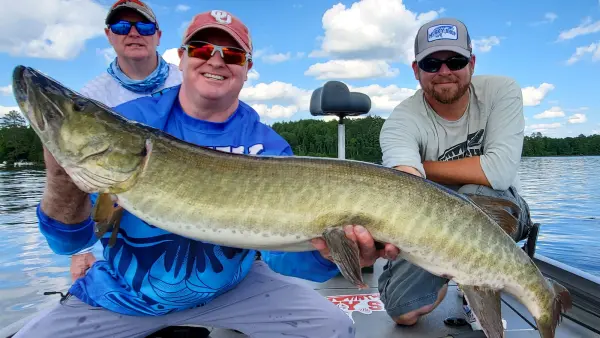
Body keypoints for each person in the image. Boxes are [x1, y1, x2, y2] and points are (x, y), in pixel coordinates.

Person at [14, 9, 399, 338]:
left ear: (247, 69)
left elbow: (285, 260)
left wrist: (337, 253)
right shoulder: (131, 125)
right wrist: (62, 177)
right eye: (202, 49)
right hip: (122, 296)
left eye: (232, 54)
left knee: (331, 326)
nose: (216, 60)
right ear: (181, 58)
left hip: (234, 290)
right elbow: (68, 244)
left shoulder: (267, 147)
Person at [376, 17, 534, 330]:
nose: (444, 71)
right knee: (403, 312)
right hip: (432, 222)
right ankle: (454, 276)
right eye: (432, 63)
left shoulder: (502, 91)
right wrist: (414, 172)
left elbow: (499, 173)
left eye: (455, 61)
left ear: (472, 63)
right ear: (415, 70)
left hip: (501, 209)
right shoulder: (401, 121)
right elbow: (404, 186)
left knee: (475, 196)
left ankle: (474, 281)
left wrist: (425, 168)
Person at [69, 0, 183, 282]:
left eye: (143, 26)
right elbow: (83, 175)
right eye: (122, 26)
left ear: (158, 36)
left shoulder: (186, 81)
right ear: (109, 35)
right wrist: (82, 248)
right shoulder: (93, 98)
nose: (133, 32)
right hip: (132, 217)